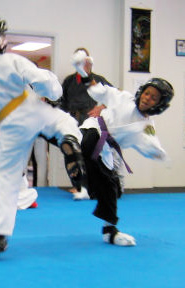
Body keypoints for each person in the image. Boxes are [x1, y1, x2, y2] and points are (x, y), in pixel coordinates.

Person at [0, 12, 85, 259]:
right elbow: (45, 82)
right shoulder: (10, 61)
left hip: (9, 124)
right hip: (32, 108)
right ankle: (69, 140)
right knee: (64, 122)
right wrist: (52, 91)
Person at [73, 50, 174, 246]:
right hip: (93, 130)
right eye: (147, 93)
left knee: (112, 188)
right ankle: (84, 180)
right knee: (88, 147)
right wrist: (83, 71)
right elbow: (98, 90)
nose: (147, 99)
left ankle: (109, 231)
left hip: (109, 150)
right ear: (141, 92)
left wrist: (159, 154)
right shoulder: (124, 98)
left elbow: (150, 145)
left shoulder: (147, 126)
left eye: (154, 98)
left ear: (159, 104)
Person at [59, 48, 116, 197]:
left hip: (91, 122)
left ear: (90, 61)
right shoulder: (69, 81)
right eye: (80, 61)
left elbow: (115, 97)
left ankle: (93, 186)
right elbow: (62, 102)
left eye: (86, 61)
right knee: (71, 153)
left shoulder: (98, 80)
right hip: (72, 121)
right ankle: (78, 186)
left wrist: (101, 106)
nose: (84, 64)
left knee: (92, 154)